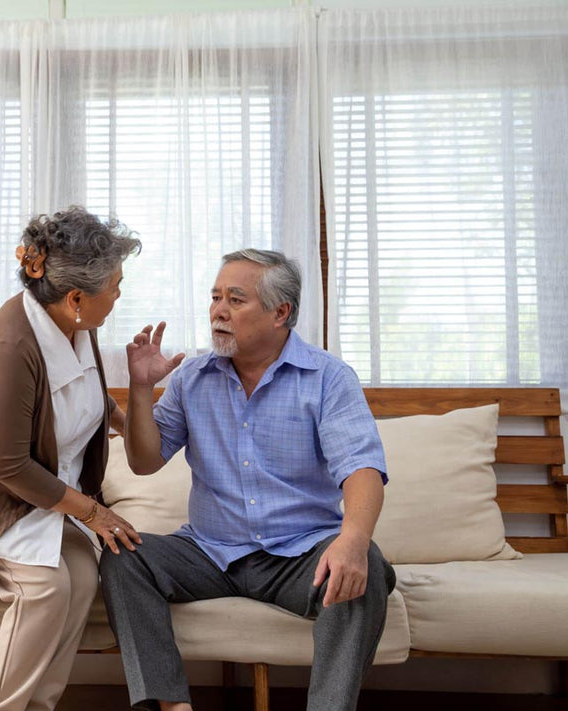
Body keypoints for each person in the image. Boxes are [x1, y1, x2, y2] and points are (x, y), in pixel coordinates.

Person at [101, 248, 395, 711]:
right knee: (124, 556)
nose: (219, 310)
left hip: (299, 556)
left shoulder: (328, 378)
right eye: (215, 297)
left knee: (365, 565)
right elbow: (144, 461)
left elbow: (361, 468)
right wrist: (141, 389)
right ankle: (171, 705)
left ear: (281, 313)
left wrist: (353, 540)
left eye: (236, 300)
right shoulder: (190, 378)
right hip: (209, 551)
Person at [0, 205, 144, 711]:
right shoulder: (9, 345)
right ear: (76, 297)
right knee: (44, 588)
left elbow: (88, 394)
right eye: (115, 284)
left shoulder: (77, 324)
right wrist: (93, 512)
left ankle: (37, 707)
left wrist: (130, 423)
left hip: (39, 483)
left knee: (83, 575)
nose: (119, 294)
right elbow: (8, 466)